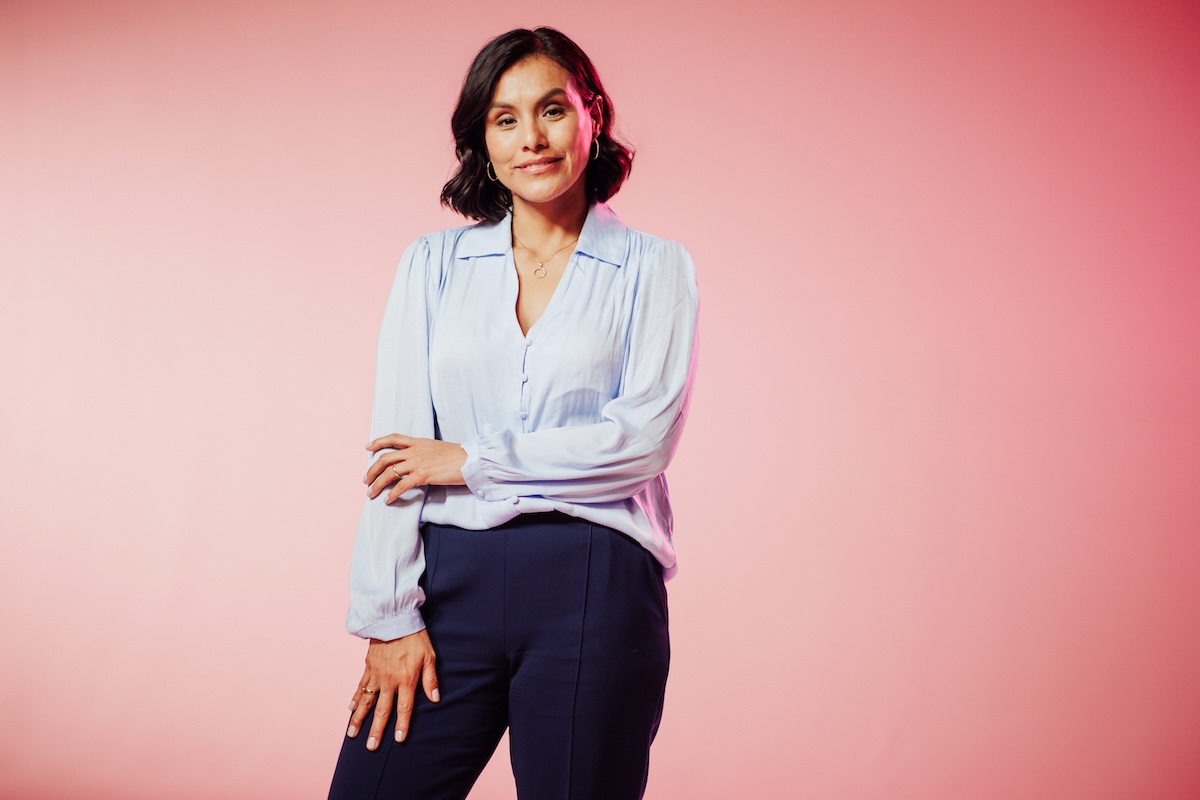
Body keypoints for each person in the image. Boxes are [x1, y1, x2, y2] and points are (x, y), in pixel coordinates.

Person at [328, 26, 698, 800]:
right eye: (505, 119)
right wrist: (388, 616)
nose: (531, 138)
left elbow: (641, 443)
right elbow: (398, 457)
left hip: (596, 582)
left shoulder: (656, 267)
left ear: (592, 115)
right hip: (449, 581)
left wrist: (471, 461)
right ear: (483, 140)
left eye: (552, 110)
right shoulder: (433, 265)